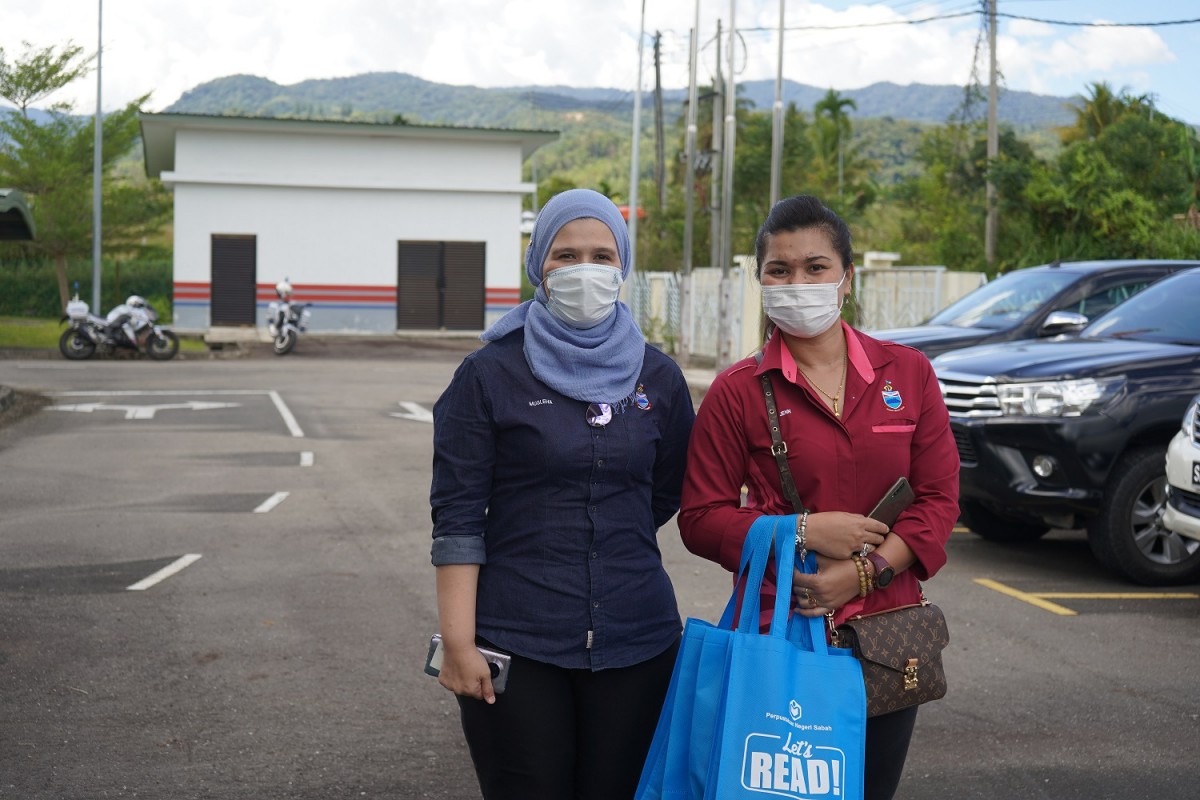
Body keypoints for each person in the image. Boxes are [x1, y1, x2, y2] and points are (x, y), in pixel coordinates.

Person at [677, 194, 959, 800]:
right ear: (761, 281)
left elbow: (939, 498)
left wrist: (864, 572)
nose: (797, 283)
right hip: (781, 633)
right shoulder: (735, 391)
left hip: (887, 639)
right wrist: (800, 531)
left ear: (846, 278)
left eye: (815, 267)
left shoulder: (908, 373)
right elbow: (700, 518)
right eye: (779, 270)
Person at [429, 188, 696, 799]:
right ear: (538, 266)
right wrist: (460, 643)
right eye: (565, 256)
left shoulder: (659, 377)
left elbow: (664, 492)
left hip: (639, 638)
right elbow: (458, 518)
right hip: (516, 639)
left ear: (623, 266)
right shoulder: (488, 374)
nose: (585, 270)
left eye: (602, 256)